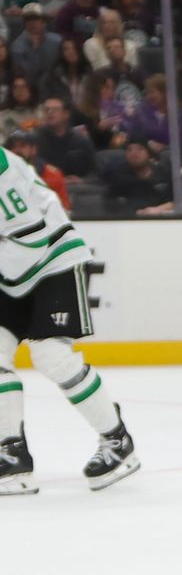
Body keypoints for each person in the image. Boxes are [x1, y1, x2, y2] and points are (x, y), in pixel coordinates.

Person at [0, 137, 139, 495]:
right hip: (8, 272)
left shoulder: (2, 170)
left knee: (51, 355)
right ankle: (12, 455)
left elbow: (31, 236)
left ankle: (116, 440)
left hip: (52, 261)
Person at [35, 96, 96, 180]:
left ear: (65, 114)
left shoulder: (81, 141)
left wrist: (81, 180)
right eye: (46, 109)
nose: (50, 112)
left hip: (78, 188)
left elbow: (94, 172)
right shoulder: (35, 140)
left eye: (55, 109)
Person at [11, 3, 63, 84]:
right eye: (28, 19)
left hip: (55, 85)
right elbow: (27, 74)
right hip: (30, 87)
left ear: (44, 22)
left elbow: (63, 68)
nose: (32, 23)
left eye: (36, 18)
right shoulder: (17, 46)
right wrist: (35, 48)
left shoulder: (57, 41)